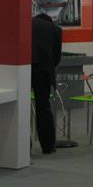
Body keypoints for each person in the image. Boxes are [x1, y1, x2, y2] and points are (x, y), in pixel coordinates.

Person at [32, 13, 62, 154]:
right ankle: (48, 145)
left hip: (23, 67)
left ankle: (24, 145)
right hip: (43, 71)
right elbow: (57, 57)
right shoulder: (55, 29)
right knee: (43, 106)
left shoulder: (27, 23)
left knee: (22, 106)